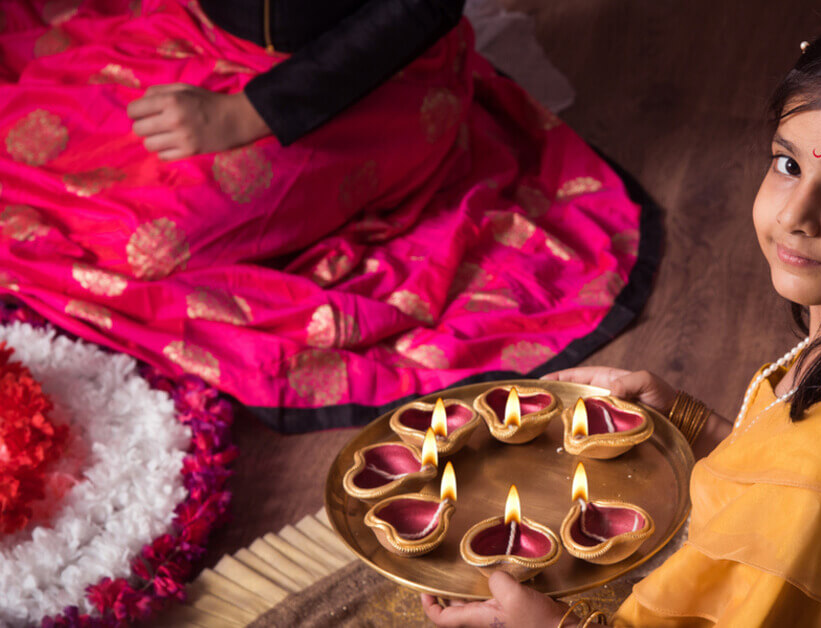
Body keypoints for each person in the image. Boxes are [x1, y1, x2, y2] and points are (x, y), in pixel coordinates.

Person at [421, 4, 821, 626]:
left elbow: (814, 498)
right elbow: (798, 490)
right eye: (788, 164)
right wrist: (687, 422)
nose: (796, 214)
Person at [0, 0, 655, 431]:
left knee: (147, 245)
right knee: (37, 157)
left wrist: (243, 114)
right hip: (196, 32)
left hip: (366, 84)